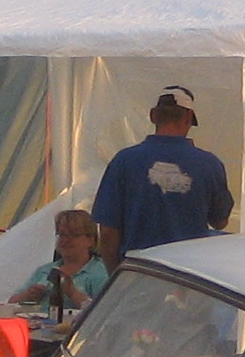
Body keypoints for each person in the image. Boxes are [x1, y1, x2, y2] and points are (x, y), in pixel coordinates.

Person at [93, 86, 233, 267]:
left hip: (138, 271)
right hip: (188, 273)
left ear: (153, 116)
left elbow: (107, 231)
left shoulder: (123, 161)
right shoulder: (209, 164)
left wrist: (116, 275)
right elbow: (220, 222)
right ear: (188, 118)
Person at [13, 210, 109, 315]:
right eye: (62, 234)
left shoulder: (101, 273)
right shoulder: (44, 271)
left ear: (91, 240)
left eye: (73, 235)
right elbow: (10, 303)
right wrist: (27, 295)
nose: (65, 240)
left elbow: (105, 311)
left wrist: (73, 293)